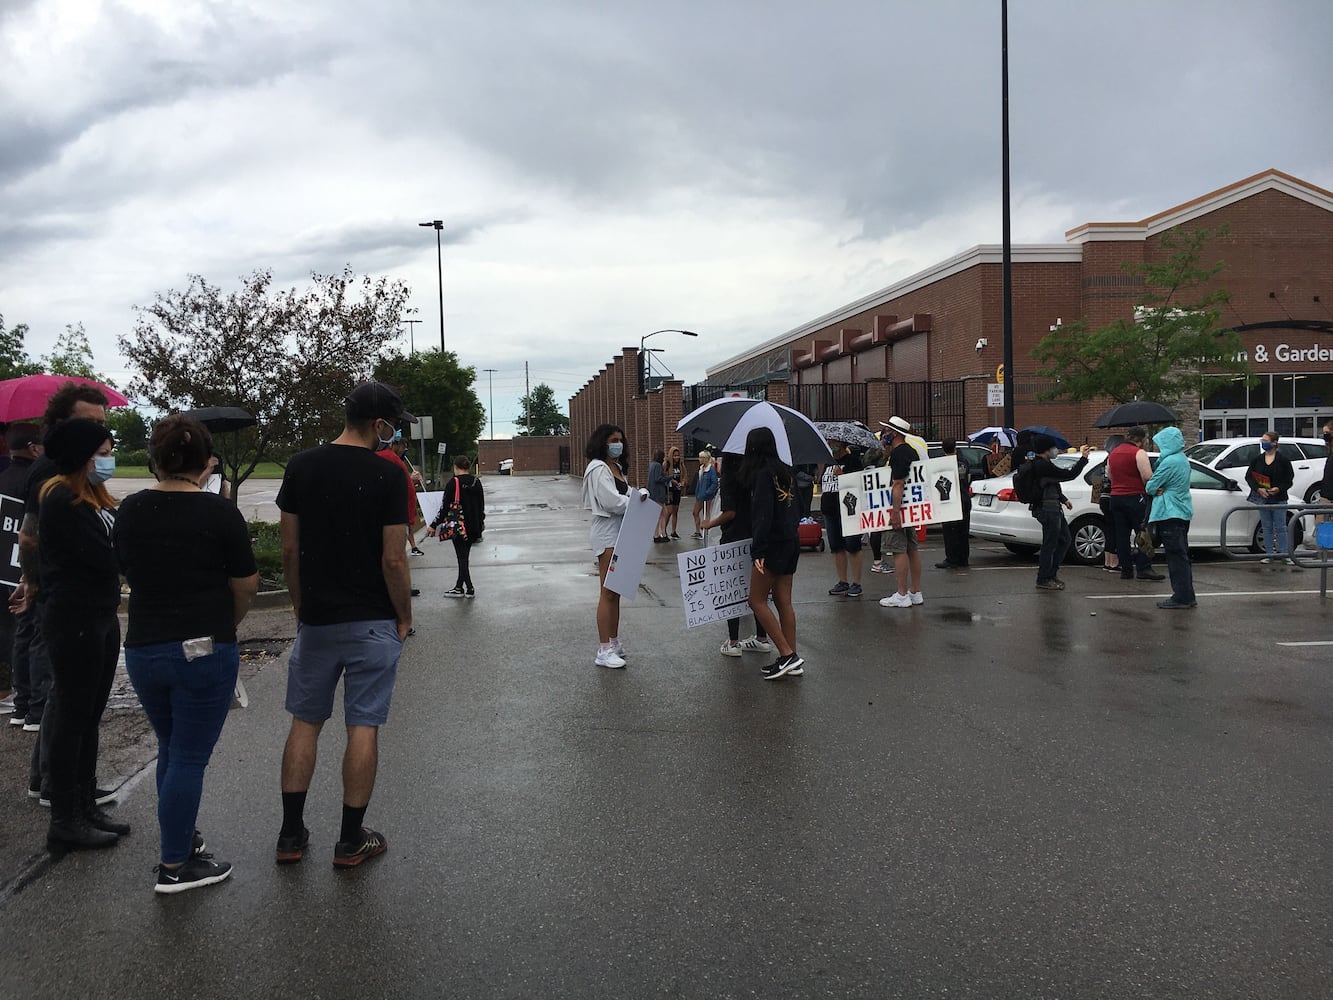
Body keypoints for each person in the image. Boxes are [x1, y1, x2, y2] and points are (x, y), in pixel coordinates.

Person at [115, 415, 258, 892]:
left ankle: (182, 837)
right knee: (190, 758)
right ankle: (176, 865)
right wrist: (226, 627)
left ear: (155, 458)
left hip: (143, 650)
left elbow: (119, 571)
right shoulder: (220, 513)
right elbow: (246, 584)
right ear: (206, 462)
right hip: (203, 650)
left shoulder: (131, 510)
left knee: (172, 749)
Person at [275, 381, 414, 868]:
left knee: (305, 724)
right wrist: (404, 616)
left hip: (317, 620)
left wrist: (299, 605)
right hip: (372, 619)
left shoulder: (300, 467)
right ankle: (350, 839)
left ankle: (291, 835)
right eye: (392, 426)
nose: (392, 435)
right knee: (363, 725)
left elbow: (289, 548)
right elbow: (394, 559)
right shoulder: (388, 476)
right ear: (378, 424)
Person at [14, 384, 116, 808]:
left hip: (93, 610)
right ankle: (55, 787)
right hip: (68, 607)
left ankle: (74, 786)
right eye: (89, 424)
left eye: (102, 426)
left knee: (76, 702)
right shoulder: (52, 478)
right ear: (62, 423)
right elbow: (30, 536)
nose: (99, 436)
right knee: (64, 699)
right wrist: (33, 582)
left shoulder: (89, 486)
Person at [37, 418, 125, 851]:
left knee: (90, 715)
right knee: (72, 718)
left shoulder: (94, 497)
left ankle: (86, 803)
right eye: (104, 450)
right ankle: (64, 818)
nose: (108, 457)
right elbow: (105, 557)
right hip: (75, 620)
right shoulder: (60, 498)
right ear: (84, 455)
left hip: (101, 617)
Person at [581, 424, 648, 668]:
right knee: (607, 591)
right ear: (602, 442)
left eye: (620, 439)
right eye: (613, 440)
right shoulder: (598, 468)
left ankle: (614, 641)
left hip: (622, 532)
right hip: (607, 534)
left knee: (616, 591)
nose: (617, 443)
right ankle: (603, 649)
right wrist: (636, 502)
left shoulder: (616, 468)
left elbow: (627, 493)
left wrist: (639, 495)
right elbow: (611, 501)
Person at [739, 427, 803, 680]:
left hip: (773, 544)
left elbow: (762, 514)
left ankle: (787, 655)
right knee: (784, 601)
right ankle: (791, 658)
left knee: (756, 600)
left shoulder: (762, 475)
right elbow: (799, 505)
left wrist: (759, 549)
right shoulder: (785, 471)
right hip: (791, 540)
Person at [702, 452, 772, 659]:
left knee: (731, 591)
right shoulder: (757, 473)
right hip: (756, 537)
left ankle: (733, 642)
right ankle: (762, 638)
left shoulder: (730, 479)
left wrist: (709, 523)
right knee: (757, 592)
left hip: (734, 538)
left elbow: (729, 512)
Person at [1, 423, 41, 728]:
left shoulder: (3, 479)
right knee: (32, 636)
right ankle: (34, 706)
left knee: (15, 636)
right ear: (34, 448)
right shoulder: (34, 482)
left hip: (4, 569)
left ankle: (20, 702)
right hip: (25, 572)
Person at [1026, 435, 1090, 591]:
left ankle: (1051, 574)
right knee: (1050, 543)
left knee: (1064, 540)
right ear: (1047, 449)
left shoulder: (1044, 464)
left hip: (1053, 506)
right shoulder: (1042, 465)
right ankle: (1044, 577)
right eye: (1053, 448)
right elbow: (1068, 475)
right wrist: (1083, 459)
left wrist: (1062, 499)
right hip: (1048, 509)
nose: (1055, 450)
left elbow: (1050, 484)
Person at [878, 416, 927, 608]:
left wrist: (894, 512)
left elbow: (898, 483)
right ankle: (915, 591)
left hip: (900, 508)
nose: (884, 434)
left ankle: (902, 594)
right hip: (911, 508)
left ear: (895, 433)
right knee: (911, 549)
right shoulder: (911, 451)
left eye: (887, 431)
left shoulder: (899, 454)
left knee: (898, 549)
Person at [1146, 426, 1196, 609]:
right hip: (1181, 511)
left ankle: (1181, 597)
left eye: (1161, 444)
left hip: (1169, 512)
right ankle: (1187, 594)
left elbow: (1151, 486)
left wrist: (1154, 486)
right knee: (1182, 555)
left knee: (1176, 556)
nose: (1159, 448)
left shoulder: (1170, 462)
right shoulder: (1182, 459)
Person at [1106, 428, 1165, 581]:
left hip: (1116, 498)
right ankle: (1144, 567)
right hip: (1135, 497)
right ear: (1141, 439)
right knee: (1143, 532)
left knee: (1122, 536)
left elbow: (1109, 475)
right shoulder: (1139, 453)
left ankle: (1126, 570)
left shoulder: (1114, 453)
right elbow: (1147, 476)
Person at [430, 456, 485, 596]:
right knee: (464, 557)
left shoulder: (453, 483)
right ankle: (459, 587)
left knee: (461, 558)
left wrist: (433, 524)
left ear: (455, 467)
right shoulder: (476, 481)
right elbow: (481, 505)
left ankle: (470, 588)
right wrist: (481, 522)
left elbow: (445, 508)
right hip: (474, 526)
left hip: (459, 526)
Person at [820, 438, 864, 598]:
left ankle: (857, 583)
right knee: (836, 547)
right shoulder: (828, 461)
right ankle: (842, 581)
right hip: (829, 510)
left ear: (842, 444)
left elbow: (859, 483)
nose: (830, 445)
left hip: (848, 510)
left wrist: (843, 475)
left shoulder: (853, 461)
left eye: (833, 442)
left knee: (853, 546)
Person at [1245, 430, 1296, 565]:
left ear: (1274, 443)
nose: (1263, 443)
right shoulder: (1257, 460)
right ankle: (1269, 554)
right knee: (1266, 527)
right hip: (1263, 497)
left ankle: (1284, 554)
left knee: (1280, 527)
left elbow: (1289, 479)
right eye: (1262, 440)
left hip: (1279, 498)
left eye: (1266, 440)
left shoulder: (1283, 460)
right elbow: (1249, 476)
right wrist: (1258, 489)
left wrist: (1279, 488)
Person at [936, 438, 971, 569]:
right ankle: (963, 559)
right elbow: (968, 478)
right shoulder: (963, 462)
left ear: (943, 448)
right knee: (963, 531)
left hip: (950, 500)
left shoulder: (942, 464)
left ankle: (951, 559)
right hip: (964, 498)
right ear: (955, 447)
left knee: (950, 531)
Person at [692, 450, 718, 541]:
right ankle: (698, 531)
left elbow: (714, 483)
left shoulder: (711, 470)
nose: (700, 459)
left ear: (706, 458)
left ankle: (706, 532)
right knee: (695, 512)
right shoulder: (701, 468)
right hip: (700, 495)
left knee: (707, 514)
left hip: (707, 496)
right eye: (700, 457)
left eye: (701, 457)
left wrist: (708, 493)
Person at [647, 449, 670, 543]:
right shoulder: (657, 465)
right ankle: (658, 535)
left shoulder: (652, 465)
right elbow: (658, 479)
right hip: (658, 493)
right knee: (661, 515)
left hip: (653, 493)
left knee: (663, 513)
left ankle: (662, 534)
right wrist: (668, 477)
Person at [664, 446, 684, 538]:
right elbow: (664, 476)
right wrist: (672, 481)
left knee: (675, 511)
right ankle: (663, 530)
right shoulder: (667, 464)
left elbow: (684, 476)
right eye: (675, 456)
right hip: (669, 490)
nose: (676, 457)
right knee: (669, 511)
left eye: (678, 455)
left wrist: (683, 482)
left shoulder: (681, 465)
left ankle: (673, 531)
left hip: (677, 490)